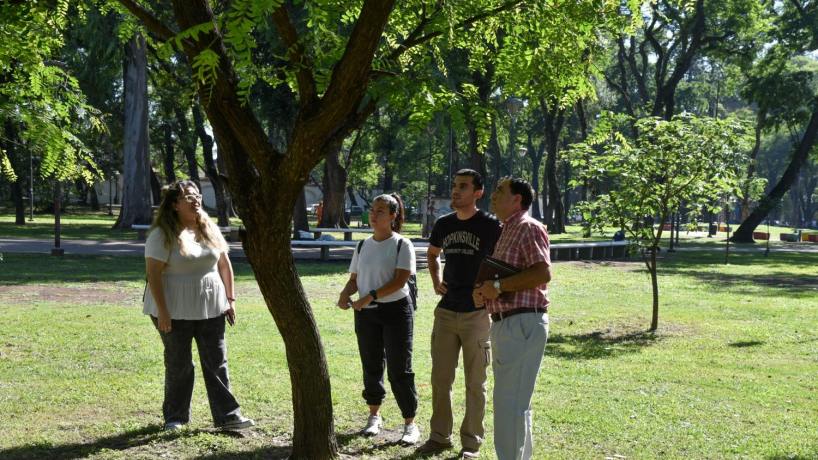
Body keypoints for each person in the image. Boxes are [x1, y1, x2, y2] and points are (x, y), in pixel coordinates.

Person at [143, 180, 254, 431]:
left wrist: (230, 300)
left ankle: (228, 416)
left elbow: (224, 264)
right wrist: (163, 312)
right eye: (188, 197)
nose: (196, 200)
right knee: (179, 364)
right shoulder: (161, 235)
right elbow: (154, 275)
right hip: (173, 309)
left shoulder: (208, 228)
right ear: (175, 205)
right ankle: (175, 418)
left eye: (197, 196)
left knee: (217, 361)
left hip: (211, 306)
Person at [416, 169, 501, 459]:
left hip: (477, 313)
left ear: (478, 193)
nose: (455, 190)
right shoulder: (444, 223)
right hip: (446, 311)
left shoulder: (490, 225)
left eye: (463, 186)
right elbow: (432, 254)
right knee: (441, 380)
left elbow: (502, 262)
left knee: (475, 383)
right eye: (454, 185)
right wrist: (435, 279)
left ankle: (471, 443)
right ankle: (439, 437)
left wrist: (490, 289)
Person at [472, 177, 551, 460]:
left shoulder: (528, 227)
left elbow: (542, 273)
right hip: (507, 323)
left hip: (521, 323)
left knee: (509, 405)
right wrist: (484, 292)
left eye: (500, 191)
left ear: (517, 199)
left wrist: (497, 286)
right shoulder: (508, 229)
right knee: (515, 403)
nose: (493, 196)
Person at [336, 193, 421, 445]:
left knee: (399, 369)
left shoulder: (402, 244)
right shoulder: (362, 245)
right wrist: (345, 294)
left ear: (393, 216)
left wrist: (368, 297)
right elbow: (354, 279)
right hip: (367, 315)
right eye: (372, 210)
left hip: (396, 312)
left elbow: (400, 280)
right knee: (371, 365)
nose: (373, 215)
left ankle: (410, 423)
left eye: (381, 211)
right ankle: (374, 416)